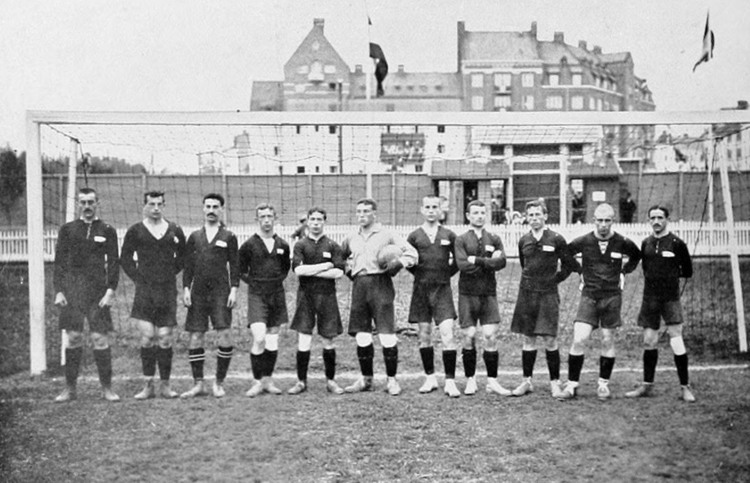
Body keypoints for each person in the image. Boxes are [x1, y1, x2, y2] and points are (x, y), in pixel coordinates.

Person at [558, 203, 642, 400]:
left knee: (607, 339)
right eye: (600, 220)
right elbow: (565, 253)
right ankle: (572, 384)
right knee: (579, 338)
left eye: (607, 221)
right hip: (589, 296)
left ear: (613, 221)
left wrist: (624, 271)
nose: (603, 225)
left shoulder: (622, 242)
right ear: (594, 220)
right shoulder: (584, 241)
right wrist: (579, 270)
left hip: (612, 297)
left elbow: (636, 256)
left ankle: (603, 385)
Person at [341, 198, 417, 396]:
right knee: (362, 335)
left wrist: (399, 262)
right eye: (359, 211)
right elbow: (340, 258)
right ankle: (366, 379)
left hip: (381, 285)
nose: (362, 215)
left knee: (386, 335)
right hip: (359, 286)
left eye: (366, 211)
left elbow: (412, 253)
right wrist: (348, 270)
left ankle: (392, 381)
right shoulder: (351, 237)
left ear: (375, 213)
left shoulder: (387, 234)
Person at [53, 187, 120, 402]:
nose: (87, 206)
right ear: (78, 204)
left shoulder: (107, 230)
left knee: (100, 339)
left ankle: (107, 388)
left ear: (97, 203)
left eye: (91, 202)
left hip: (97, 293)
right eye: (83, 202)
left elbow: (114, 263)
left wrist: (111, 290)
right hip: (72, 292)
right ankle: (70, 389)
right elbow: (59, 263)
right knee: (73, 338)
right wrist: (59, 291)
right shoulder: (67, 230)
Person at [626, 205, 696, 402]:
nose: (656, 221)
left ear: (667, 219)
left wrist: (670, 278)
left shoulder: (676, 243)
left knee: (676, 340)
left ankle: (685, 387)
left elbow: (687, 271)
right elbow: (646, 269)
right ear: (649, 220)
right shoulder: (646, 243)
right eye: (653, 218)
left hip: (670, 299)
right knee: (649, 341)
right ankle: (647, 385)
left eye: (660, 217)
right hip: (650, 299)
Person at [121, 190, 186, 400]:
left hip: (166, 290)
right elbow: (126, 259)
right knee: (148, 337)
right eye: (151, 204)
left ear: (164, 206)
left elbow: (183, 258)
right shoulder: (136, 231)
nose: (155, 208)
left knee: (165, 338)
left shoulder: (174, 230)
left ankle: (165, 386)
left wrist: (168, 274)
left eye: (159, 204)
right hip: (145, 291)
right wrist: (139, 278)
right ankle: (148, 386)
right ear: (145, 206)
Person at [509, 199, 577, 398]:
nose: (534, 218)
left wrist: (554, 280)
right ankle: (526, 381)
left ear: (545, 216)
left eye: (538, 214)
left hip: (548, 294)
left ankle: (555, 383)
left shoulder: (556, 239)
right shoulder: (524, 240)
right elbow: (524, 265)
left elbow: (568, 265)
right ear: (526, 218)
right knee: (528, 338)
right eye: (530, 215)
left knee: (549, 338)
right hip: (527, 294)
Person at [181, 193, 239, 399]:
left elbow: (235, 265)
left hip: (220, 291)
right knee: (196, 335)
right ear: (203, 209)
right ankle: (198, 383)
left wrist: (234, 289)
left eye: (216, 206)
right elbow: (188, 266)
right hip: (198, 292)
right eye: (208, 206)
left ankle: (219, 382)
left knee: (224, 333)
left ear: (221, 209)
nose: (212, 210)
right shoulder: (195, 237)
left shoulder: (229, 236)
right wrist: (186, 288)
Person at [287, 207, 346, 395]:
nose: (315, 223)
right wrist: (324, 266)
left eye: (319, 219)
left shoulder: (332, 245)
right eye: (312, 219)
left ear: (324, 222)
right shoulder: (300, 245)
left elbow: (339, 272)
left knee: (328, 339)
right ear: (307, 222)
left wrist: (313, 270)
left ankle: (331, 381)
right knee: (304, 339)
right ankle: (301, 381)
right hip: (305, 296)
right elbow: (298, 271)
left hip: (327, 296)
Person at [406, 195, 461, 398]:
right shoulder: (414, 236)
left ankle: (450, 381)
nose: (431, 210)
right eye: (427, 207)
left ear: (440, 211)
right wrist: (421, 275)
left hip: (442, 290)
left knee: (448, 333)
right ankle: (430, 378)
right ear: (422, 209)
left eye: (434, 207)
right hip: (420, 290)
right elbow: (409, 262)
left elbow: (458, 261)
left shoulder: (449, 235)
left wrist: (445, 275)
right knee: (424, 335)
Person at [454, 200, 509, 396]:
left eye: (482, 213)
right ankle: (471, 380)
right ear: (468, 216)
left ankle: (492, 381)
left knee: (490, 336)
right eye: (475, 213)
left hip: (488, 294)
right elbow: (462, 266)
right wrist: (488, 261)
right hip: (467, 294)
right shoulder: (460, 240)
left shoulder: (493, 238)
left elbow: (501, 262)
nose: (479, 216)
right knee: (468, 336)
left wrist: (476, 260)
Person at [240, 203, 291, 397]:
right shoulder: (249, 245)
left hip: (276, 294)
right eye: (263, 217)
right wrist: (255, 283)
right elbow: (240, 270)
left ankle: (268, 380)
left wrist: (275, 282)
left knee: (272, 339)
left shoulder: (283, 245)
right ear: (257, 219)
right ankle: (257, 381)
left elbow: (285, 268)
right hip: (257, 295)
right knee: (259, 336)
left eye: (270, 216)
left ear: (275, 219)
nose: (267, 220)